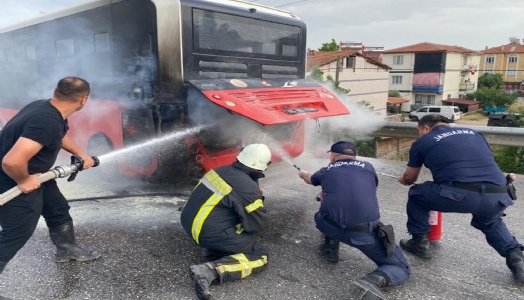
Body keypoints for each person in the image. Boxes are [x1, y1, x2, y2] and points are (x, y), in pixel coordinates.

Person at [398, 114, 524, 284]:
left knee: (417, 194)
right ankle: (516, 258)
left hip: (460, 194)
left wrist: (403, 180)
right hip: (498, 194)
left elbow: (410, 178)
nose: (420, 135)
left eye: (419, 131)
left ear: (426, 128)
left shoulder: (424, 141)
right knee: (491, 223)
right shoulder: (475, 133)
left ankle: (419, 244)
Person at [0, 77, 101, 274]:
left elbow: (58, 134)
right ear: (83, 99)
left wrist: (80, 153)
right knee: (18, 232)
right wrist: (23, 180)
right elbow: (12, 161)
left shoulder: (46, 109)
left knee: (57, 209)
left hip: (36, 175)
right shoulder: (46, 121)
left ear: (57, 92)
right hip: (12, 177)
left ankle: (67, 250)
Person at [298, 141, 410, 300]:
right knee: (399, 267)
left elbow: (310, 179)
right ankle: (371, 282)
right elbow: (370, 189)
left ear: (332, 156)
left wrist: (303, 174)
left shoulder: (327, 169)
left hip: (329, 224)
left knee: (324, 203)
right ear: (354, 155)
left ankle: (330, 247)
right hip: (363, 232)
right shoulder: (368, 167)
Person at [180, 143, 272, 300]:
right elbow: (257, 225)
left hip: (189, 224)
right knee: (260, 256)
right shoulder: (248, 187)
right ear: (261, 167)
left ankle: (214, 250)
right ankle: (209, 271)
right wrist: (257, 200)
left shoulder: (220, 170)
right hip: (206, 233)